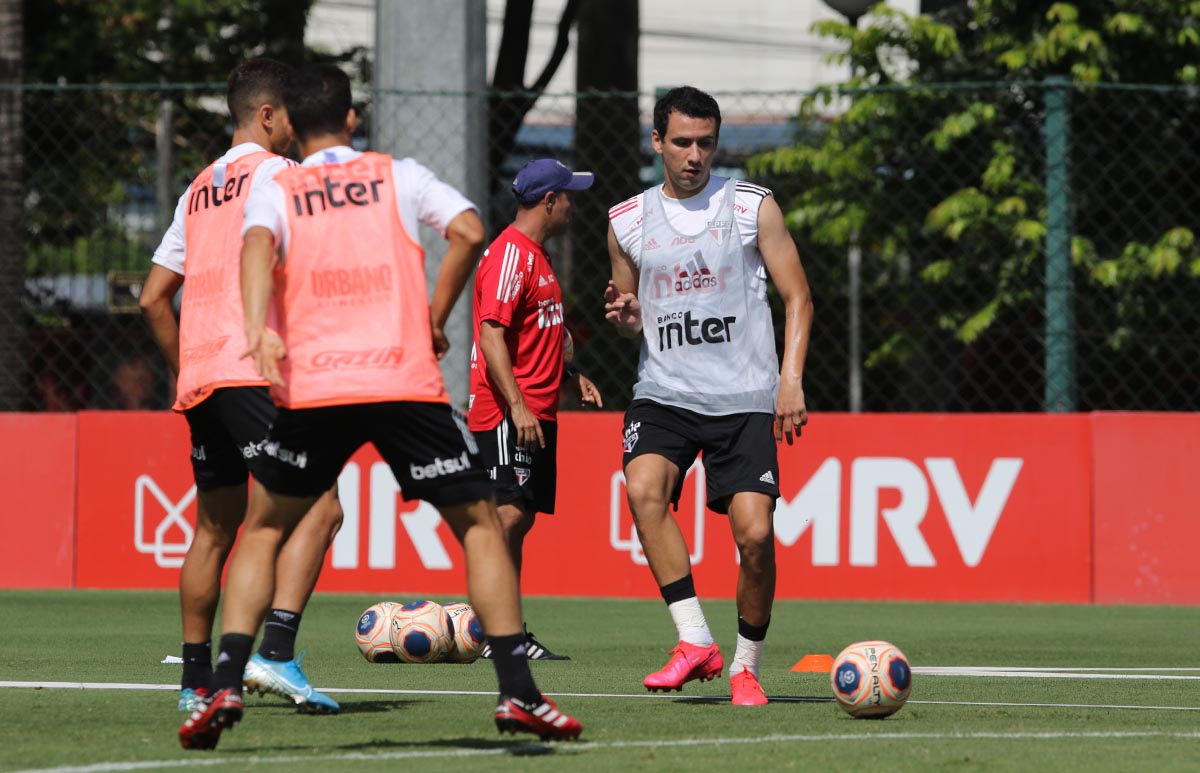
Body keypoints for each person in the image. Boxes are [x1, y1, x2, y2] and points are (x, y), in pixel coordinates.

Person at [177, 64, 583, 750]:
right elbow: (468, 229)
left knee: (265, 528)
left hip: (319, 386)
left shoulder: (281, 184)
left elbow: (253, 247)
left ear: (290, 126)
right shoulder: (398, 174)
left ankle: (221, 680)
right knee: (481, 525)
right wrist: (433, 314)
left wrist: (256, 326)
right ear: (352, 120)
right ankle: (519, 694)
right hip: (399, 379)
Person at [140, 58, 343, 716]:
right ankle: (276, 652)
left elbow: (151, 298)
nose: (297, 126)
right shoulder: (283, 175)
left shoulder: (196, 189)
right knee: (320, 510)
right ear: (268, 116)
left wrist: (183, 369)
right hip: (253, 371)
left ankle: (194, 680)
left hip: (202, 378)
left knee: (214, 529)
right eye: (290, 114)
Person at [603, 86, 813, 706]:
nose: (695, 155)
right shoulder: (626, 220)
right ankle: (695, 640)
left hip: (744, 397)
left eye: (706, 143)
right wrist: (627, 316)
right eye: (683, 142)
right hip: (664, 390)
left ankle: (746, 666)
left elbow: (798, 297)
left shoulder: (752, 206)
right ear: (657, 143)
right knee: (643, 489)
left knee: (754, 535)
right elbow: (632, 314)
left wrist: (790, 380)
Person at [468, 158, 604, 661]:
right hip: (508, 409)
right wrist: (519, 406)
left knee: (519, 517)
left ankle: (506, 630)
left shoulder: (538, 257)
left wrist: (570, 375)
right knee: (507, 516)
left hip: (535, 409)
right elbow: (492, 333)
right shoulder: (510, 255)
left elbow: (536, 332)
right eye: (569, 196)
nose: (574, 204)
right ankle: (495, 633)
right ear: (549, 201)